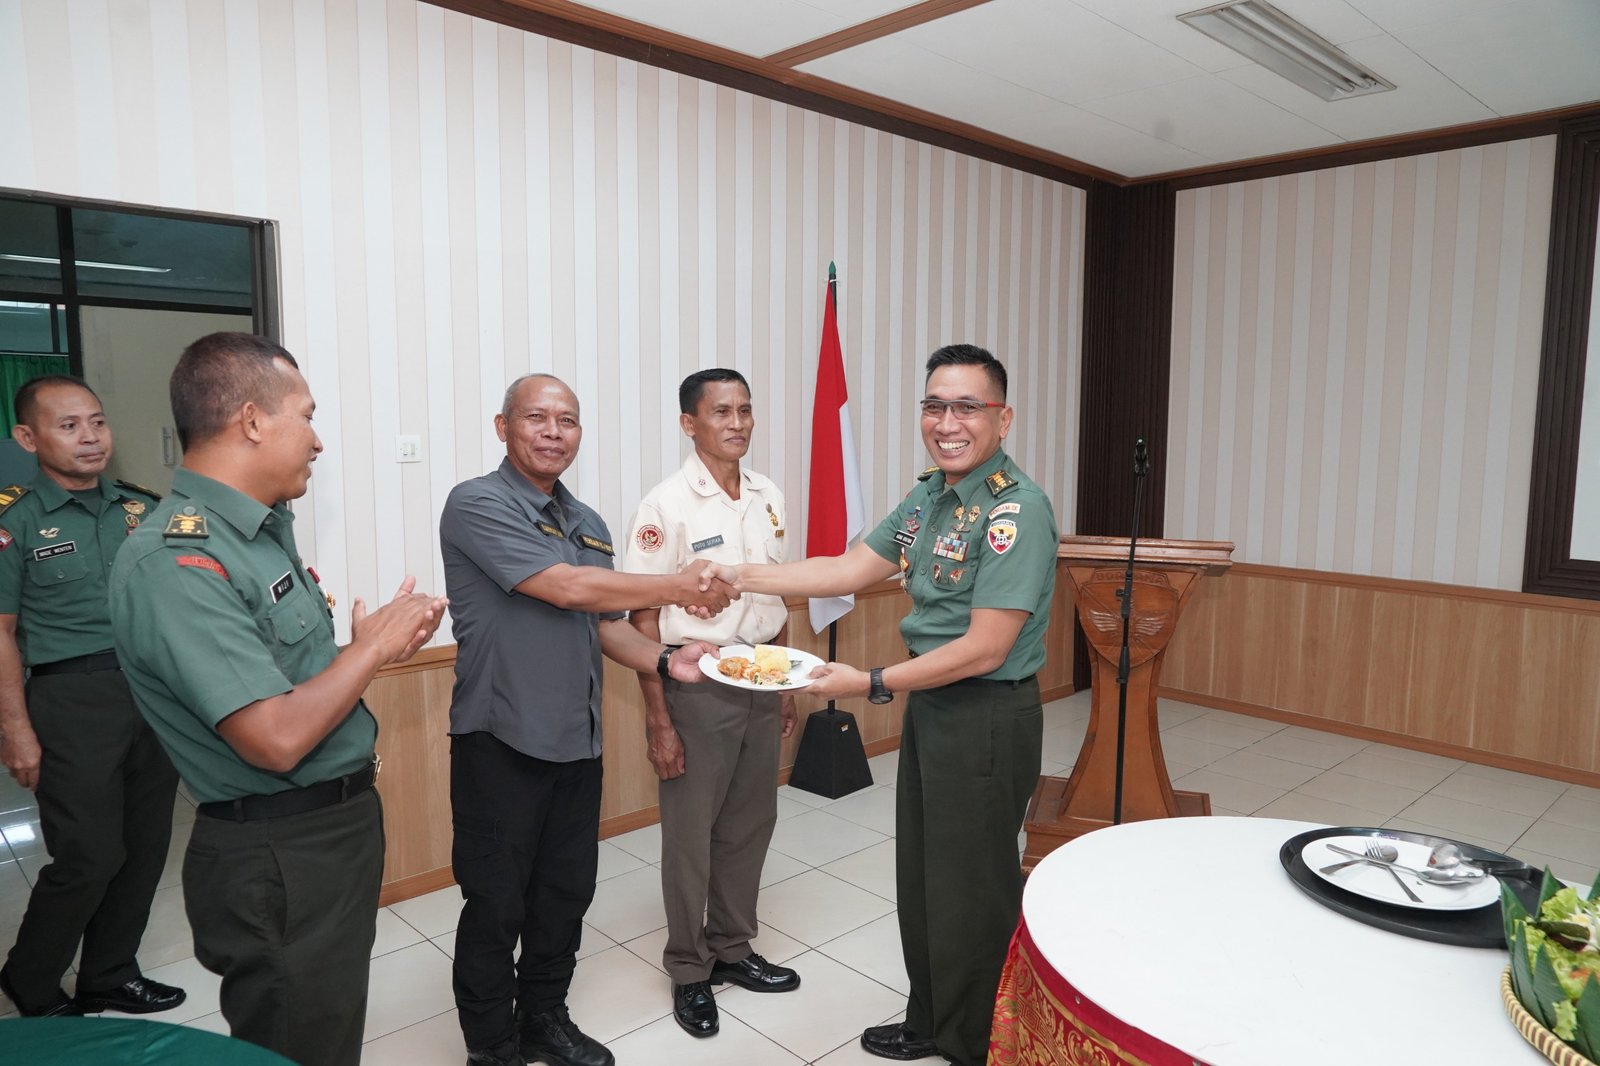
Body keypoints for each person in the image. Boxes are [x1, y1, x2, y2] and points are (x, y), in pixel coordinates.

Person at [108, 332, 447, 1066]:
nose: (318, 440)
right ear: (254, 420)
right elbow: (275, 737)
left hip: (328, 832)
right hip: (278, 850)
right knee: (299, 1044)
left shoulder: (258, 534)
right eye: (308, 415)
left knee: (327, 1030)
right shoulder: (178, 558)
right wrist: (369, 651)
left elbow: (289, 679)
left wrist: (363, 652)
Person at [736, 344, 1058, 1066]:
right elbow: (849, 567)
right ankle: (933, 1017)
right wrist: (738, 575)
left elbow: (986, 649)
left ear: (1003, 418)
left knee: (973, 886)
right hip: (936, 709)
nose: (947, 422)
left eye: (967, 406)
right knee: (924, 875)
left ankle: (976, 1040)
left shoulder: (1015, 510)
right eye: (935, 405)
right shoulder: (930, 498)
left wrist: (870, 681)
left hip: (986, 714)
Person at [440, 373, 737, 1066]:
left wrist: (666, 660)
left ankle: (544, 1018)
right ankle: (491, 1047)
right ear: (503, 427)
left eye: (567, 420)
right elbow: (567, 587)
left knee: (564, 896)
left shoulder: (589, 523)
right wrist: (675, 584)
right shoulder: (477, 503)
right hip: (501, 739)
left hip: (577, 740)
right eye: (536, 418)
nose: (553, 432)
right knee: (496, 906)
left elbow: (605, 624)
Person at [621, 369, 800, 1040]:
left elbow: (777, 594)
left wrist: (784, 683)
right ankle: (689, 967)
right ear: (688, 423)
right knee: (691, 834)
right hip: (696, 683)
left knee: (751, 823)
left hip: (761, 676)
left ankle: (731, 946)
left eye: (745, 410)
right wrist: (658, 718)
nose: (738, 423)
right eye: (721, 411)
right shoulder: (665, 505)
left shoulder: (768, 494)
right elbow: (642, 616)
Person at [0, 376, 184, 1019]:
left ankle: (110, 972)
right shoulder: (15, 522)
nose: (90, 437)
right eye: (69, 425)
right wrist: (15, 730)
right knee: (89, 855)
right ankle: (29, 978)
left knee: (145, 847)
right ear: (28, 438)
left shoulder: (143, 508)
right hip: (70, 700)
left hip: (150, 694)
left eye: (98, 422)